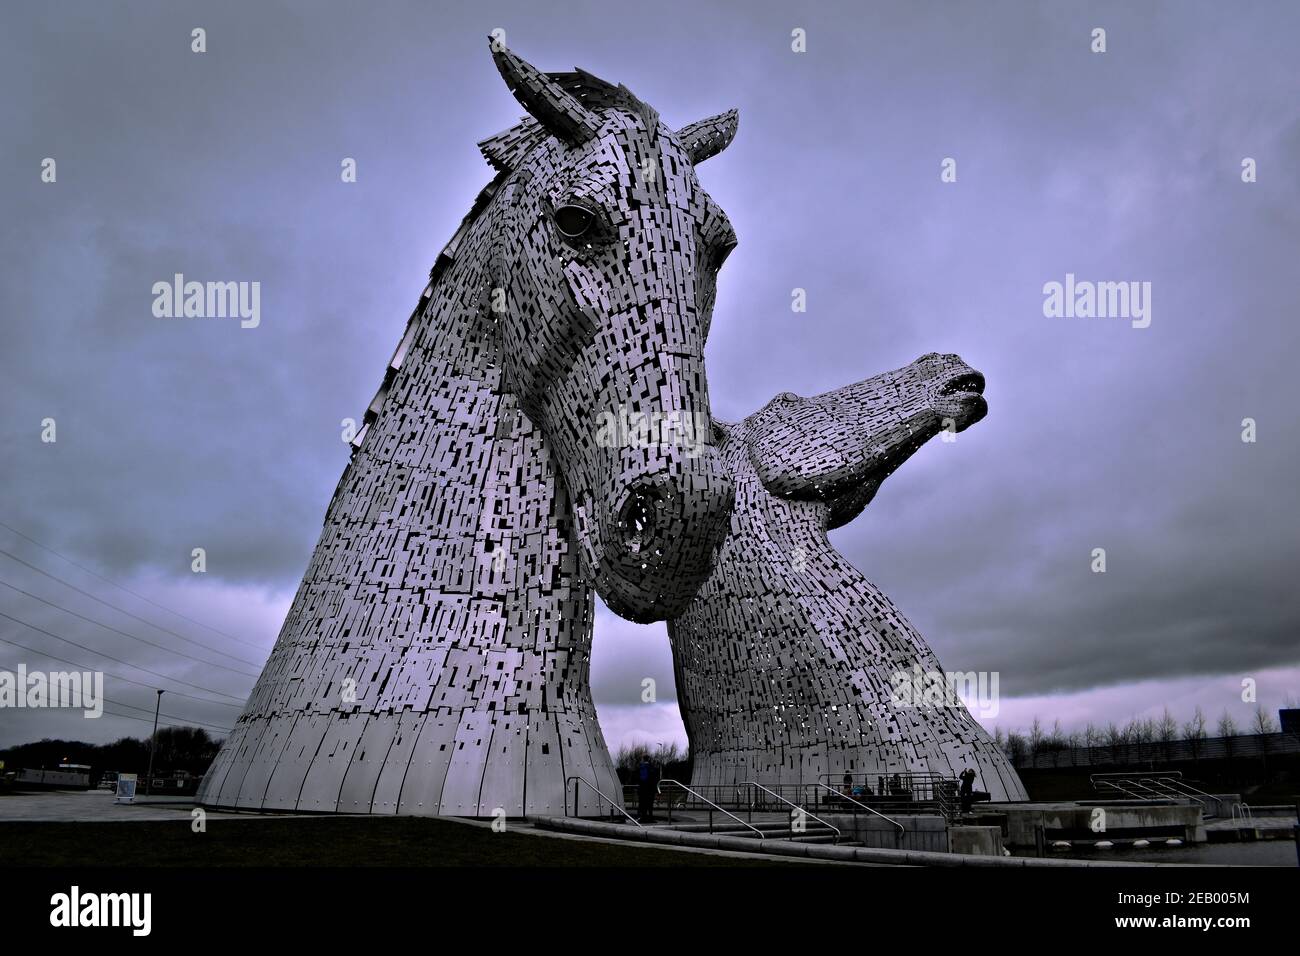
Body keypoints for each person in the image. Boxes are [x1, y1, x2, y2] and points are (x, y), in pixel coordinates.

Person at [636, 755, 659, 822]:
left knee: (642, 803)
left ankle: (643, 817)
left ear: (643, 759)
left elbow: (637, 778)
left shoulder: (640, 767)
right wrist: (655, 789)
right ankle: (650, 817)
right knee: (650, 804)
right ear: (649, 759)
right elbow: (655, 779)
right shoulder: (652, 767)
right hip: (650, 789)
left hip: (642, 789)